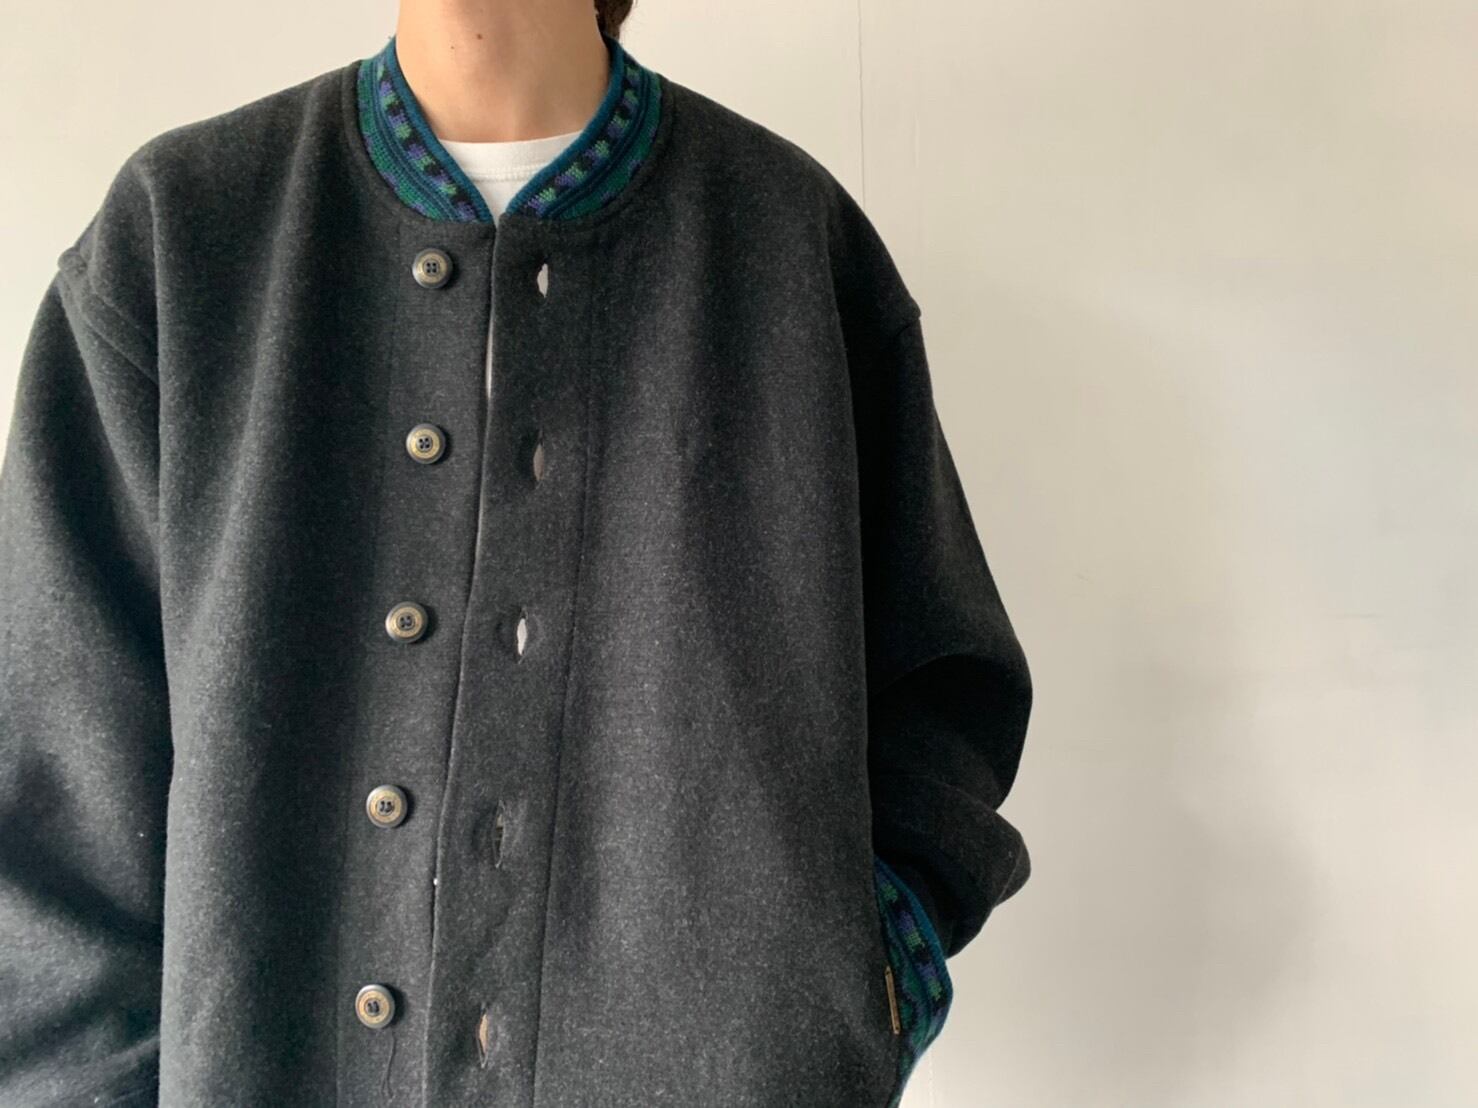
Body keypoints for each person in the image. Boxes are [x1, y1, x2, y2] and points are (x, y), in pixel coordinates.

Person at [0, 1, 1034, 1105]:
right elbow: (54, 794)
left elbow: (944, 694)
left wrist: (856, 992)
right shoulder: (181, 236)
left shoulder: (788, 241)